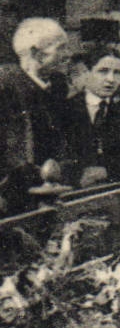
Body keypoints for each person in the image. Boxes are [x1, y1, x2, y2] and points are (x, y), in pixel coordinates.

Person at [1, 17, 72, 214]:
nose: (67, 55)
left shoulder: (57, 87)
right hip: (12, 198)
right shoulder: (6, 87)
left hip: (49, 194)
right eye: (61, 48)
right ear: (35, 53)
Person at [60, 23, 120, 186]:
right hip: (76, 190)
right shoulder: (66, 108)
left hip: (115, 188)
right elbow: (58, 157)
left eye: (116, 73)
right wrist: (78, 176)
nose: (111, 79)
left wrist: (107, 171)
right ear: (87, 72)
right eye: (103, 71)